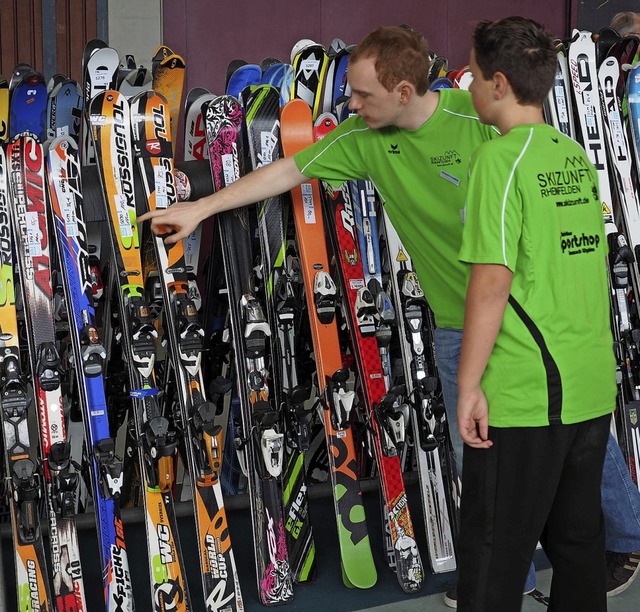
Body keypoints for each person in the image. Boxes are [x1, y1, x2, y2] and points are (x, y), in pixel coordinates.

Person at [138, 24, 640, 606]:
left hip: (531, 321)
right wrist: (201, 208)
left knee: (575, 443)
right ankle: (512, 574)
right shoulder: (363, 138)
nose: (349, 105)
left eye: (362, 94)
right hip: (459, 323)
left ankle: (622, 540)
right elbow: (289, 171)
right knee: (472, 460)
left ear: (404, 91)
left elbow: (521, 230)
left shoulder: (482, 125)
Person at [456, 15, 616, 610]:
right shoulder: (572, 155)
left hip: (527, 392)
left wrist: (469, 385)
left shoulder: (498, 160)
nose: (467, 87)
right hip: (591, 384)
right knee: (578, 547)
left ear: (499, 83)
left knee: (494, 553)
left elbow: (492, 282)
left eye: (471, 75)